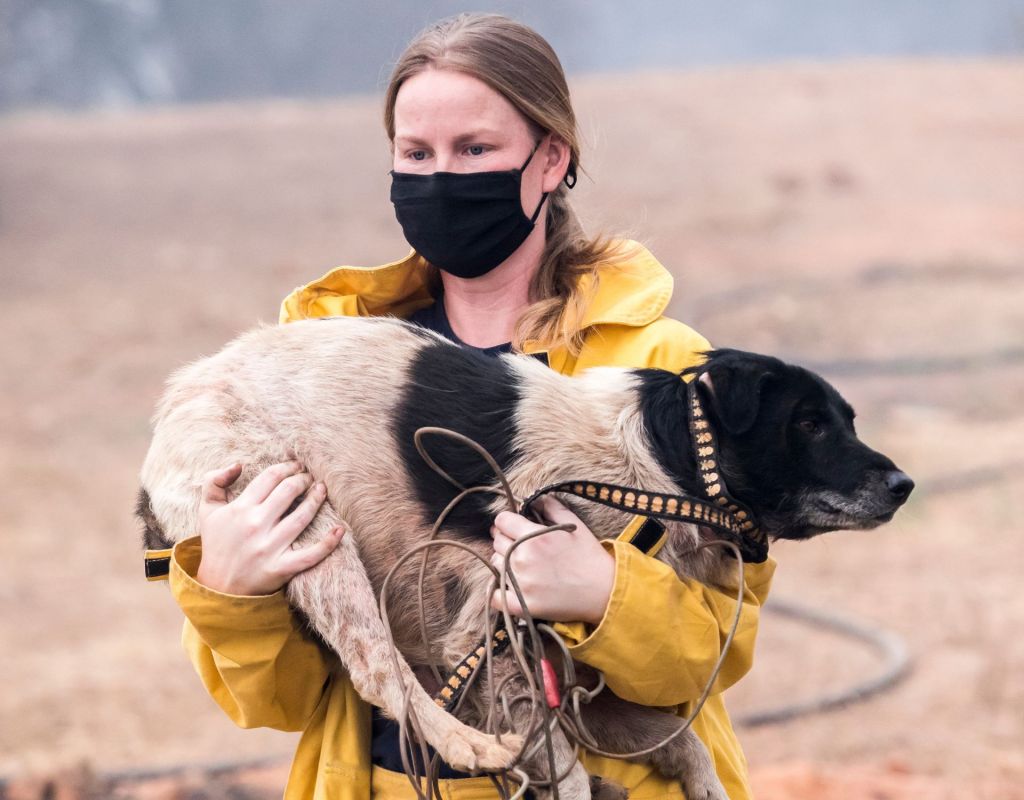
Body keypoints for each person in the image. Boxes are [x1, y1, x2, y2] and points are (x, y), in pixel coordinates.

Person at [167, 13, 776, 800]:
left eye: (475, 150)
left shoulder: (661, 370)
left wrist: (605, 595)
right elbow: (272, 702)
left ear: (551, 159)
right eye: (415, 153)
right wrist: (230, 588)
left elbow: (718, 655)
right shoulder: (309, 376)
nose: (441, 179)